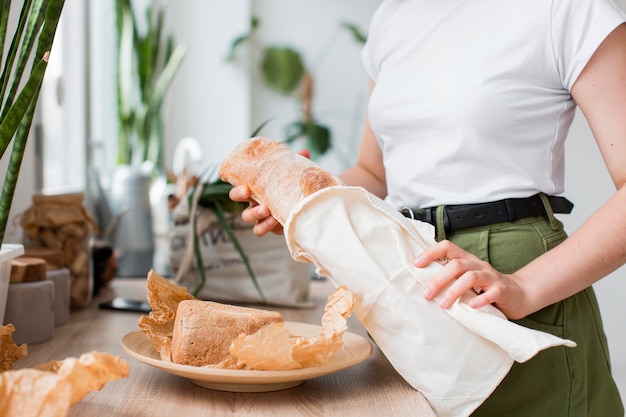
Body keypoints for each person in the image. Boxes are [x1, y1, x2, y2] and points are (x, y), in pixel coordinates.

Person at [229, 0, 626, 415]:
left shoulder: (568, 8)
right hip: (403, 278)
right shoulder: (393, 17)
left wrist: (524, 286)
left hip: (509, 281)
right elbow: (375, 173)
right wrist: (303, 204)